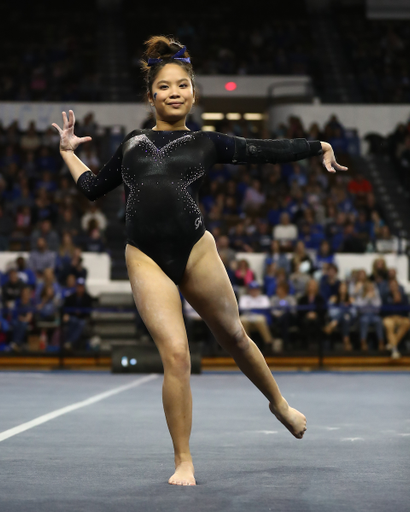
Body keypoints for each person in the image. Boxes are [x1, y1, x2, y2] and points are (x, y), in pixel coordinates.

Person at [52, 35, 347, 486]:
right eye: (165, 86)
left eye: (182, 85)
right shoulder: (132, 143)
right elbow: (93, 186)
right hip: (145, 255)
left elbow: (263, 150)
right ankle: (184, 459)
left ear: (193, 93)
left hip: (195, 248)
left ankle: (278, 403)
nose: (174, 92)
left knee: (235, 335)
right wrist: (69, 153)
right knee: (177, 355)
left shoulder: (208, 142)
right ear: (151, 95)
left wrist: (317, 146)